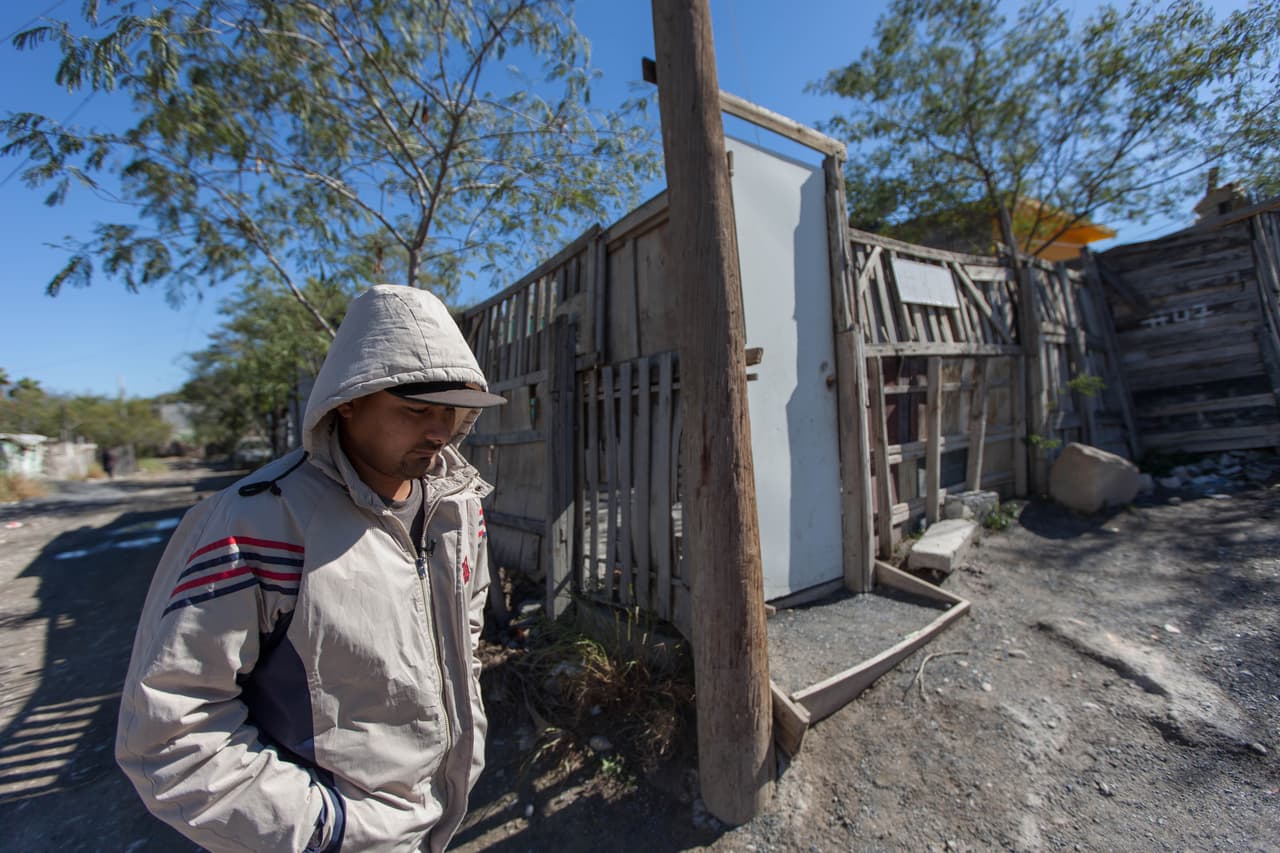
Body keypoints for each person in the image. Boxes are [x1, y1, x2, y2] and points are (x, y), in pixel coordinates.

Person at [116, 284, 505, 852]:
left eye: (452, 409)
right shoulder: (257, 522)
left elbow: (466, 630)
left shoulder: (457, 504)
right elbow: (170, 729)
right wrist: (329, 829)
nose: (440, 430)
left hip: (436, 819)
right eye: (416, 409)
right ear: (347, 401)